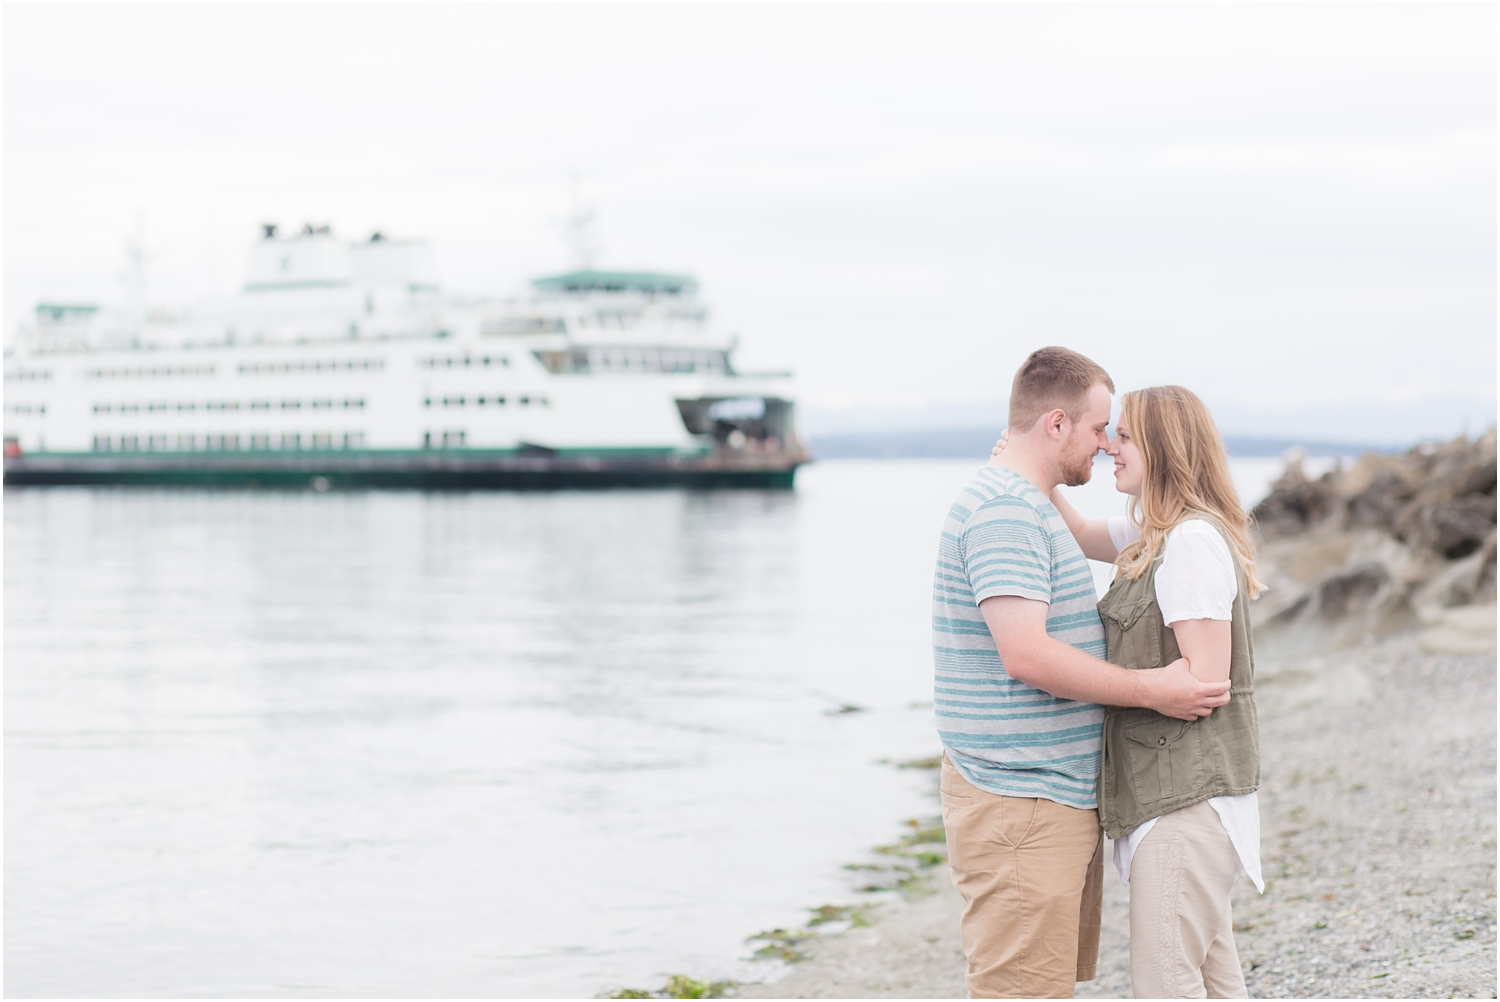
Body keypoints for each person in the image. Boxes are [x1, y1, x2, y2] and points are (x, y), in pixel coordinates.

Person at [933, 348, 1231, 1000]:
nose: (1105, 445)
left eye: (1118, 434)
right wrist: (1155, 689)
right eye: (1100, 429)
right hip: (1022, 800)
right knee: (1021, 991)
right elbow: (1027, 655)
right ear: (1058, 424)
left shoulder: (1028, 505)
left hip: (1044, 798)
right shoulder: (1007, 510)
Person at [998, 384, 1265, 998]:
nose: (1109, 448)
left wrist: (1125, 687)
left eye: (1123, 436)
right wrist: (1027, 464)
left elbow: (1203, 681)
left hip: (1185, 803)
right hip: (1176, 800)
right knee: (1212, 982)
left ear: (1164, 447)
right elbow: (1085, 532)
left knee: (1166, 988)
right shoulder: (1157, 534)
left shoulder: (1191, 543)